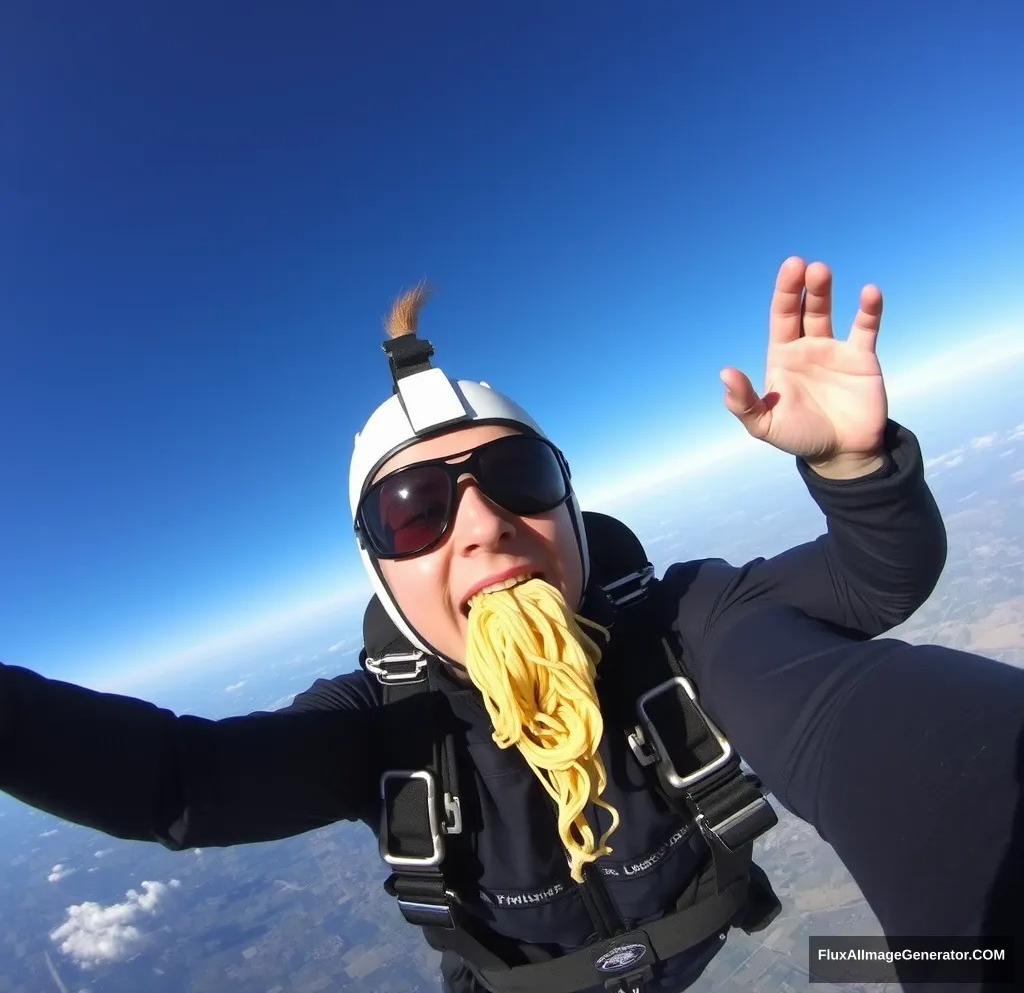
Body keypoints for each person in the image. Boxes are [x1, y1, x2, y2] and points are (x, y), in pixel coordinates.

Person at [1, 257, 1021, 993]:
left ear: (570, 514)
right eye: (415, 511)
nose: (485, 525)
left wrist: (853, 465)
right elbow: (180, 782)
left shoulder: (686, 628)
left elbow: (873, 599)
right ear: (383, 572)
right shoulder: (382, 726)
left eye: (517, 478)